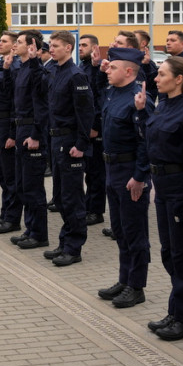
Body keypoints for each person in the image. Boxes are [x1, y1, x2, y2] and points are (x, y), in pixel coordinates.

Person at [136, 56, 183, 341]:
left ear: (179, 79)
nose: (156, 78)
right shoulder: (163, 105)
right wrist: (141, 113)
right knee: (169, 252)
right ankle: (175, 310)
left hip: (181, 187)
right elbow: (149, 138)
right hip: (163, 187)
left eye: (162, 74)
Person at [97, 47, 153, 308]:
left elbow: (146, 142)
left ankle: (136, 286)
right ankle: (124, 278)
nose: (108, 70)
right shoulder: (112, 94)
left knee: (134, 231)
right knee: (120, 229)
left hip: (130, 172)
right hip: (112, 169)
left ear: (129, 71)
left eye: (113, 67)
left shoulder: (138, 98)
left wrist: (140, 176)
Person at [42, 31, 94, 267]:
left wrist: (81, 145)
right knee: (61, 197)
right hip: (55, 141)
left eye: (56, 46)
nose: (51, 49)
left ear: (68, 48)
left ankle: (74, 248)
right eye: (50, 45)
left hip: (70, 141)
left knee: (73, 198)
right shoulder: (54, 71)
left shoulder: (76, 76)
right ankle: (64, 242)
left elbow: (85, 113)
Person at [6, 30, 50, 250]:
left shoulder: (37, 70)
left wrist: (36, 135)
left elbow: (41, 105)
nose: (16, 45)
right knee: (23, 186)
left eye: (20, 42)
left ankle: (40, 234)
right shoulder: (21, 68)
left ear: (32, 46)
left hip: (32, 131)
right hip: (21, 129)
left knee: (34, 187)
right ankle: (30, 229)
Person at [0, 32, 22, 235]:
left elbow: (14, 102)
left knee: (10, 177)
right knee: (2, 174)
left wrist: (12, 132)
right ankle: (4, 215)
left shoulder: (15, 67)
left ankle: (12, 218)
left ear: (14, 45)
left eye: (4, 41)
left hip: (6, 124)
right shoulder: (4, 64)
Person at [78, 34, 108, 230]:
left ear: (95, 47)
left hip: (95, 129)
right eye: (79, 45)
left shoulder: (100, 69)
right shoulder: (82, 67)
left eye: (84, 45)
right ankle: (89, 207)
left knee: (97, 173)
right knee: (89, 172)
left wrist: (95, 126)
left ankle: (96, 211)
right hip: (84, 128)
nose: (80, 48)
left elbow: (99, 100)